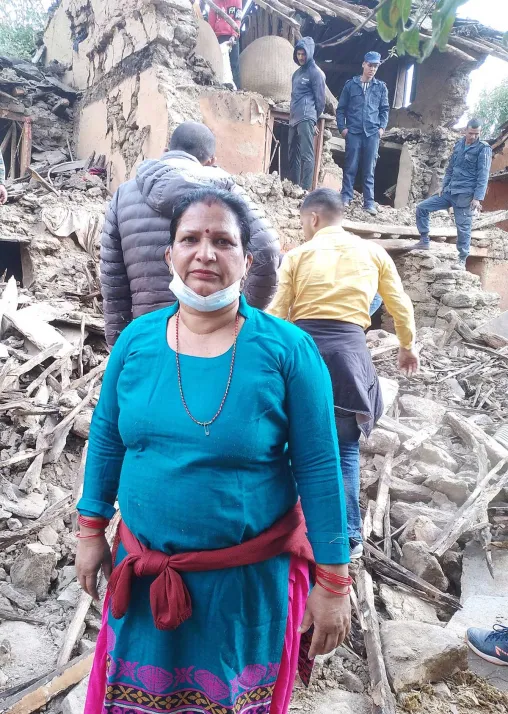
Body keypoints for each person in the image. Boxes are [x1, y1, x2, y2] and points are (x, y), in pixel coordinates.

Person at [76, 187, 351, 714]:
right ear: (169, 255)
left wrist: (333, 581)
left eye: (223, 241)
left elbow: (319, 467)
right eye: (191, 239)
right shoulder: (135, 342)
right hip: (143, 573)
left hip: (244, 592)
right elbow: (108, 439)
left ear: (246, 261)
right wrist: (91, 529)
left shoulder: (288, 350)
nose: (205, 253)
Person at [267, 189, 418, 559]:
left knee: (293, 447)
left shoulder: (298, 256)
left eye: (303, 221)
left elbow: (278, 312)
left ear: (313, 219)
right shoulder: (373, 252)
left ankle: (294, 528)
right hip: (351, 357)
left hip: (304, 357)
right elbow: (398, 302)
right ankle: (349, 536)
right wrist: (407, 345)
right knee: (345, 451)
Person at [100, 121, 280, 346]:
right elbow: (268, 251)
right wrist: (244, 315)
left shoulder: (123, 196)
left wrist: (119, 345)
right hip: (215, 340)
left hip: (147, 338)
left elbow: (112, 279)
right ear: (212, 161)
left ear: (166, 151)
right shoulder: (226, 192)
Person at [413, 118, 492, 269]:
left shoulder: (483, 148)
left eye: (477, 134)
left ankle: (462, 260)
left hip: (466, 195)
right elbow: (450, 168)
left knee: (463, 227)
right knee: (422, 208)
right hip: (450, 191)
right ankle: (424, 240)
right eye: (471, 133)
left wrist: (477, 198)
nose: (474, 136)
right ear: (465, 131)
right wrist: (443, 185)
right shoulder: (459, 144)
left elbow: (484, 174)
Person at [336, 51, 390, 216]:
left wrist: (381, 129)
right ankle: (345, 197)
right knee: (350, 166)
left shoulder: (381, 87)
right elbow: (341, 109)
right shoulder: (351, 85)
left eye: (375, 66)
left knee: (369, 169)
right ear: (363, 64)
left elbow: (384, 110)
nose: (372, 69)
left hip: (372, 133)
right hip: (353, 132)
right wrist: (342, 129)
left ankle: (369, 202)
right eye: (370, 65)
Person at [289, 37, 326, 191]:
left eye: (303, 54)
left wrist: (313, 119)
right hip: (294, 119)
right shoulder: (296, 74)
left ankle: (304, 191)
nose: (301, 57)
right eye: (298, 54)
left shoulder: (316, 73)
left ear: (310, 53)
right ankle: (294, 187)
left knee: (307, 155)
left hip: (306, 117)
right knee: (293, 155)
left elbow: (320, 101)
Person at [208, 0, 242, 89]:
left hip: (232, 36)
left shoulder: (237, 1)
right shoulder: (214, 2)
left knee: (234, 63)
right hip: (219, 37)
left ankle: (237, 90)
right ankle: (220, 88)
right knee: (219, 64)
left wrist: (234, 36)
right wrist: (212, 38)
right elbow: (211, 23)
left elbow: (238, 20)